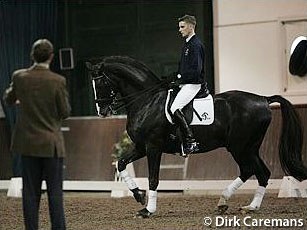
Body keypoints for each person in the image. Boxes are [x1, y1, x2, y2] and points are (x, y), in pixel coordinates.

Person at [3, 39, 70, 230]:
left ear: (32, 56)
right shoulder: (58, 81)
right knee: (55, 193)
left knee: (30, 194)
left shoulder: (19, 77)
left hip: (28, 145)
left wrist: (20, 100)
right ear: (51, 57)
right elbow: (64, 112)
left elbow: (8, 98)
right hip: (51, 145)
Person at [170, 15, 205, 155]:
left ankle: (191, 140)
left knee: (174, 108)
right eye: (179, 27)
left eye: (182, 27)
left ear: (191, 26)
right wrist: (175, 78)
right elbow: (183, 67)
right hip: (186, 83)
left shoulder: (196, 45)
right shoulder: (187, 44)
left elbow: (196, 71)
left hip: (193, 84)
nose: (179, 30)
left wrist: (180, 77)